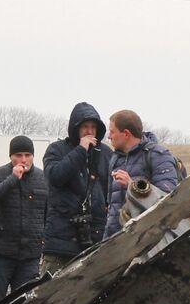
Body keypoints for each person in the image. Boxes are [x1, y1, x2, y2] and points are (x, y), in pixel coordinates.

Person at [42, 102, 113, 271]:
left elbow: (110, 191)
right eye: (85, 127)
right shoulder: (56, 150)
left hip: (95, 237)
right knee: (50, 293)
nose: (89, 131)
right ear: (76, 128)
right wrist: (81, 150)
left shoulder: (105, 154)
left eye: (93, 127)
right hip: (62, 239)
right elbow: (55, 176)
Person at [0, 136, 48, 304]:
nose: (23, 160)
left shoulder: (43, 178)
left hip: (29, 258)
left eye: (27, 155)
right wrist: (12, 179)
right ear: (11, 156)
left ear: (33, 156)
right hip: (1, 254)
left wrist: (44, 241)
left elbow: (49, 213)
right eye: (18, 155)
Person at [103, 110, 182, 238]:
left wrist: (132, 186)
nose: (109, 136)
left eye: (112, 131)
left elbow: (167, 201)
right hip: (116, 242)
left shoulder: (159, 156)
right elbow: (112, 209)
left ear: (126, 134)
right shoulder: (115, 159)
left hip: (148, 242)